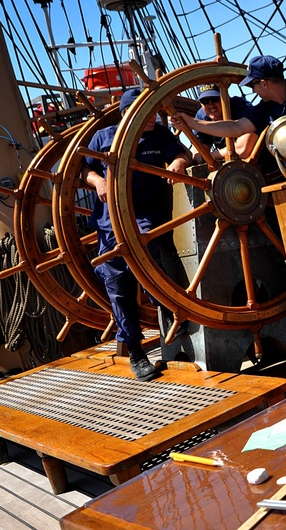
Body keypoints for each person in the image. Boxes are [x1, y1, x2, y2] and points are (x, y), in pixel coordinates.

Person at [83, 88, 190, 381]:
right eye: (147, 114)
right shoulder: (103, 137)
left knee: (146, 262)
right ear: (128, 115)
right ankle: (136, 353)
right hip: (109, 224)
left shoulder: (160, 135)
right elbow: (84, 171)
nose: (153, 118)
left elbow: (181, 153)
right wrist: (98, 182)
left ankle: (168, 311)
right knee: (119, 289)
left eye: (154, 112)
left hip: (148, 219)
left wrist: (179, 162)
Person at [170, 55, 286, 146]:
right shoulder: (265, 108)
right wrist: (192, 123)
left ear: (264, 84)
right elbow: (237, 127)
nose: (252, 91)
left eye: (252, 85)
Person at [188, 87, 256, 163]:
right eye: (205, 101)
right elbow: (198, 156)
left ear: (226, 97)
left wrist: (207, 157)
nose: (211, 104)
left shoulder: (243, 109)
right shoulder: (201, 117)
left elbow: (242, 150)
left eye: (215, 99)